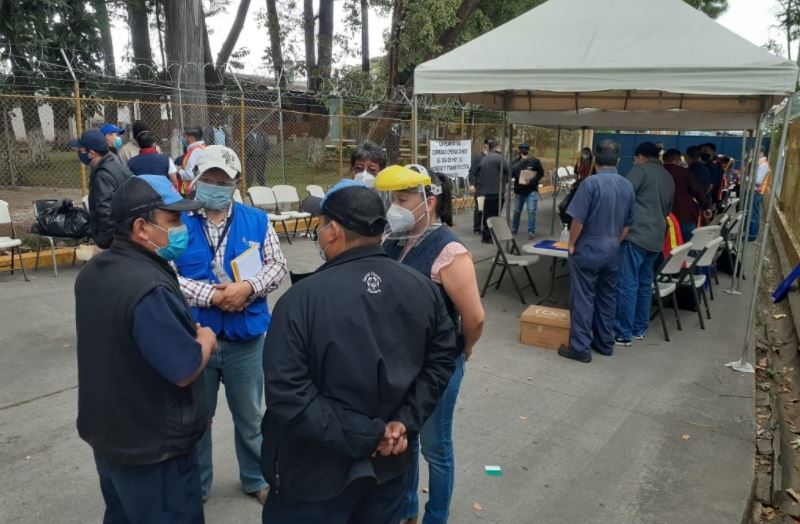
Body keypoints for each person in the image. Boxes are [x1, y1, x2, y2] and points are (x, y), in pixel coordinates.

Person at [259, 181, 456, 523]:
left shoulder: (300, 301)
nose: (319, 234)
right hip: (389, 465)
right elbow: (441, 362)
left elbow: (288, 396)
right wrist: (400, 424)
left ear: (333, 231)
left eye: (320, 225)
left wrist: (375, 434)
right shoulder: (421, 288)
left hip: (314, 476)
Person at [75, 174, 217, 523]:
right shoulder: (149, 286)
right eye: (173, 220)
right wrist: (205, 340)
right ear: (141, 227)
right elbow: (183, 368)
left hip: (112, 438)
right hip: (155, 449)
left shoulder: (96, 271)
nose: (182, 228)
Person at [173, 145, 287, 505]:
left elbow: (278, 266)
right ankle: (198, 483)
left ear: (236, 183)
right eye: (209, 179)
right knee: (197, 420)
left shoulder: (256, 220)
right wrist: (214, 296)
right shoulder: (179, 222)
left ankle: (256, 478)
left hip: (246, 340)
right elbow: (167, 274)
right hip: (196, 340)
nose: (216, 186)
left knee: (251, 417)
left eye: (224, 181)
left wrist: (248, 287)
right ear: (196, 181)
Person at [376, 165, 485, 524]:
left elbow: (475, 317)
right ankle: (407, 510)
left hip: (438, 367)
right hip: (400, 364)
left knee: (436, 448)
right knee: (407, 439)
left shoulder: (449, 251)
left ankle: (435, 516)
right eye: (393, 199)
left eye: (403, 199)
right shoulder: (393, 240)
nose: (396, 207)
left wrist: (464, 350)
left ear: (429, 202)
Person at [557, 140, 635, 363]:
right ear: (618, 160)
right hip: (613, 248)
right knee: (607, 297)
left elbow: (578, 220)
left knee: (583, 297)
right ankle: (604, 343)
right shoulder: (627, 185)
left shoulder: (590, 184)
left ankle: (580, 347)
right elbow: (629, 223)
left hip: (589, 247)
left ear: (595, 161)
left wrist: (572, 244)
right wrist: (615, 241)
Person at [614, 142, 675, 346]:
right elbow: (668, 209)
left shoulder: (640, 171)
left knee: (627, 283)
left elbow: (623, 195)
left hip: (635, 236)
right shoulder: (668, 176)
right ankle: (639, 329)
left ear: (640, 156)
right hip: (656, 238)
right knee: (644, 284)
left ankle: (623, 332)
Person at [69, 130, 132, 250]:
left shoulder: (102, 176)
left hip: (116, 240)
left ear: (91, 153)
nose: (79, 153)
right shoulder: (114, 163)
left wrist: (103, 243)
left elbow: (106, 212)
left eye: (81, 150)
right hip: (125, 234)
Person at [662, 148, 712, 241]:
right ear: (675, 160)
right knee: (689, 246)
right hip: (685, 216)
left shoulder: (659, 172)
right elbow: (697, 190)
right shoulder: (684, 172)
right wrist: (706, 207)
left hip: (664, 218)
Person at [471, 141, 509, 244]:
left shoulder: (484, 159)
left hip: (486, 191)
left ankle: (486, 236)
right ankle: (490, 235)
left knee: (487, 214)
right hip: (497, 191)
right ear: (497, 147)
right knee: (494, 214)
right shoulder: (499, 158)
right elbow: (509, 169)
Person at [510, 143, 545, 239]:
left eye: (525, 150)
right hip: (519, 190)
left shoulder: (535, 161)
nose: (523, 152)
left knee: (532, 211)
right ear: (519, 151)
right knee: (517, 211)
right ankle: (514, 228)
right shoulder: (515, 162)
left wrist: (532, 180)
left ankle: (531, 231)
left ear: (528, 151)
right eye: (521, 150)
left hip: (531, 190)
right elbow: (511, 173)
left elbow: (541, 173)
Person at [468, 138, 492, 235]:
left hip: (491, 188)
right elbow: (472, 172)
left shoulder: (494, 157)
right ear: (485, 145)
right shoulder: (479, 158)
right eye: (491, 144)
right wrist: (472, 185)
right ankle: (477, 228)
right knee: (479, 209)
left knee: (489, 209)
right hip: (480, 188)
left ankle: (486, 228)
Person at [749, 147, 771, 241]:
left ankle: (752, 236)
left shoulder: (763, 165)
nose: (752, 153)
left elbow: (757, 180)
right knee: (753, 213)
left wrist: (745, 178)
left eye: (753, 151)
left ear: (760, 152)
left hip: (756, 191)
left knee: (754, 214)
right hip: (755, 191)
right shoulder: (761, 163)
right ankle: (751, 234)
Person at [178, 126, 207, 191]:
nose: (183, 139)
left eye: (185, 137)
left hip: (193, 189)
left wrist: (178, 171)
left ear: (191, 138)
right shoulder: (202, 148)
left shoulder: (196, 151)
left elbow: (190, 175)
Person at [702, 143, 724, 208]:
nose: (703, 153)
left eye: (705, 151)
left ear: (713, 152)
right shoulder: (714, 166)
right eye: (702, 151)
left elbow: (710, 186)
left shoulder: (711, 167)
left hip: (709, 201)